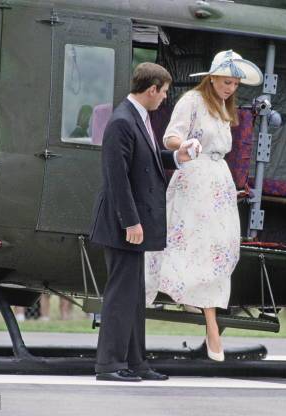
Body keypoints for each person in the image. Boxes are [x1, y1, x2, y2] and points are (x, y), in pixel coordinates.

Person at [145, 50, 262, 361]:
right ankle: (210, 328)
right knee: (196, 246)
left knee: (219, 248)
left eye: (236, 84)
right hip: (194, 179)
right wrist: (186, 146)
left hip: (218, 182)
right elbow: (171, 138)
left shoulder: (223, 105)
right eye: (227, 82)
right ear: (212, 78)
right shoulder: (192, 101)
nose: (231, 88)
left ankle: (204, 314)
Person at [89, 62, 196, 382]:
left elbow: (145, 161)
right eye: (163, 92)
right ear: (151, 89)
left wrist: (178, 157)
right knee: (121, 295)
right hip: (123, 225)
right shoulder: (122, 121)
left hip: (130, 224)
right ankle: (108, 364)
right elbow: (116, 178)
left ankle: (135, 362)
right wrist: (131, 223)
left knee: (134, 296)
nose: (164, 98)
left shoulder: (136, 117)